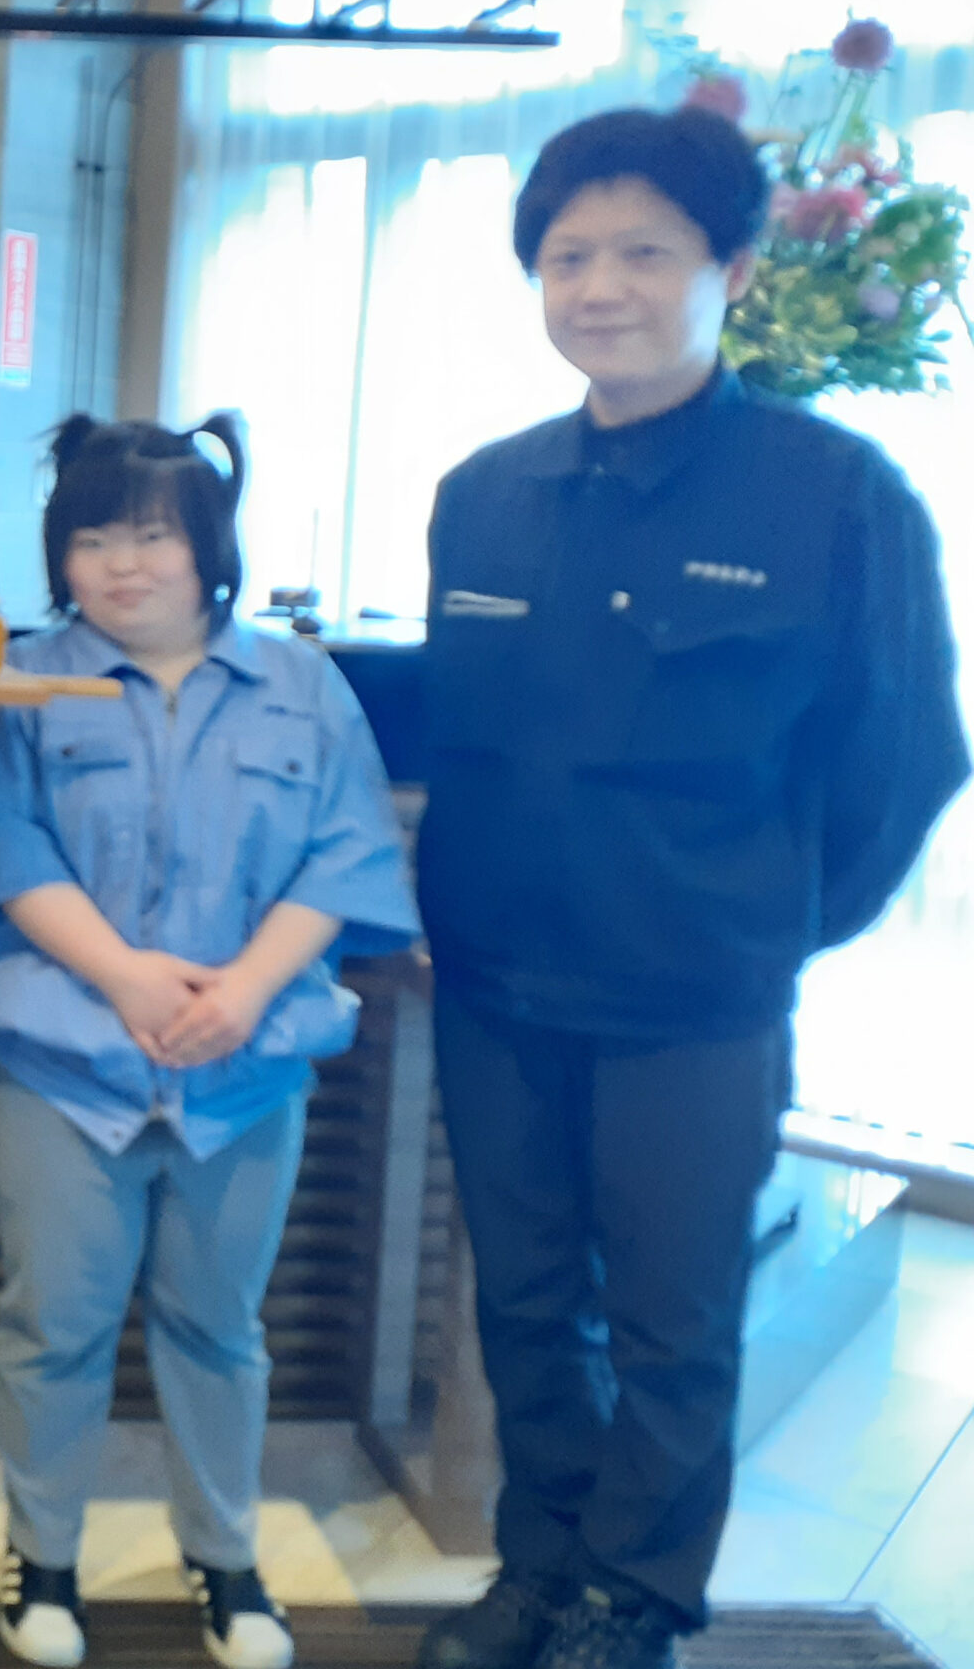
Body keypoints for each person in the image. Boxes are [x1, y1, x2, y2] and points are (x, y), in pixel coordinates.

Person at [412, 106, 969, 1669]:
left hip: (697, 997)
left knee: (673, 1319)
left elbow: (906, 754)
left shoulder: (837, 495)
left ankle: (633, 1600)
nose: (602, 288)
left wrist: (768, 920)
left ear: (731, 270)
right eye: (569, 256)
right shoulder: (484, 493)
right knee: (526, 1304)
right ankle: (541, 1567)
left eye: (645, 253)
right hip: (499, 982)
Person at [0, 415, 418, 1669]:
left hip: (244, 1067)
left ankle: (226, 1558)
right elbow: (3, 849)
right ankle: (42, 1557)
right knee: (55, 1320)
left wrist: (244, 990)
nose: (121, 564)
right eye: (92, 537)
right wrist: (128, 978)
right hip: (59, 1066)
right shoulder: (22, 681)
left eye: (151, 536)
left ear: (209, 547)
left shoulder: (302, 686)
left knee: (218, 1325)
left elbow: (344, 853)